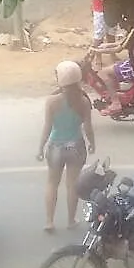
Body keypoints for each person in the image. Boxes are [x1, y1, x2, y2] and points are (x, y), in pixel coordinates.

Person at [37, 61, 95, 233]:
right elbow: (88, 127)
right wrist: (92, 143)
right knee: (72, 185)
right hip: (76, 146)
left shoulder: (52, 101)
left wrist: (40, 148)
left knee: (52, 183)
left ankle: (49, 221)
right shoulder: (84, 101)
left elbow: (47, 127)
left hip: (55, 146)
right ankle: (71, 220)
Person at [90, 6, 134, 112]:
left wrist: (98, 51)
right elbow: (121, 44)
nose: (121, 24)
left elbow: (118, 49)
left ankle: (115, 102)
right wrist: (102, 46)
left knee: (104, 73)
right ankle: (116, 95)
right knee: (112, 69)